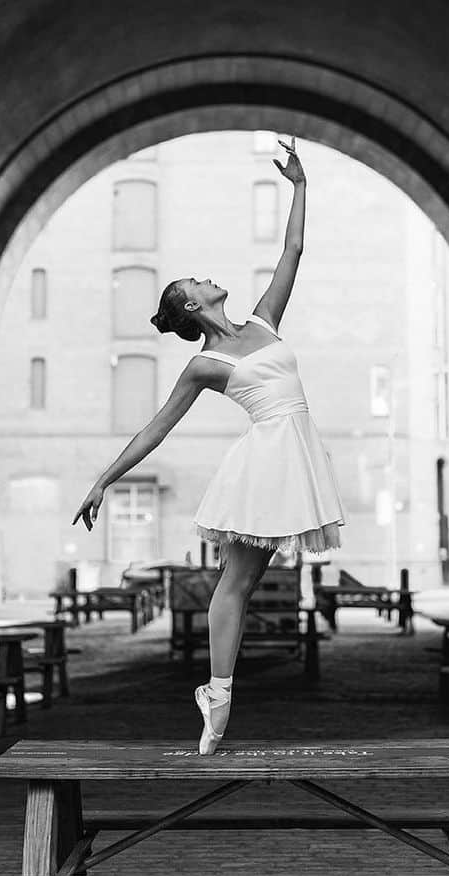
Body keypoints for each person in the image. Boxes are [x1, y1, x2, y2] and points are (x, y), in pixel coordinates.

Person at [72, 138, 345, 754]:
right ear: (192, 305)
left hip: (296, 455)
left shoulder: (263, 321)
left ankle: (216, 695)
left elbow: (292, 251)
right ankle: (217, 695)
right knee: (237, 585)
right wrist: (103, 480)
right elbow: (156, 427)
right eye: (196, 279)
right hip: (266, 461)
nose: (208, 275)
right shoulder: (206, 364)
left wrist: (300, 187)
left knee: (242, 585)